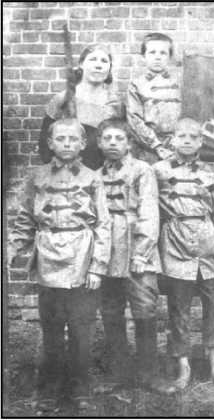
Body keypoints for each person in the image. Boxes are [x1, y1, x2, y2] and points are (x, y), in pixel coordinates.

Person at [9, 118, 111, 411]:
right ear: (50, 143)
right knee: (51, 328)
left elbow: (103, 224)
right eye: (61, 139)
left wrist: (97, 267)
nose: (67, 144)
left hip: (81, 256)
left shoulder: (92, 178)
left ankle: (80, 388)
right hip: (49, 256)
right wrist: (13, 247)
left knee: (81, 328)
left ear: (83, 144)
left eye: (73, 139)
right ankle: (49, 389)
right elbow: (25, 218)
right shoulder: (37, 177)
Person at [153, 118, 214, 392]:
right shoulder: (158, 171)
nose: (187, 141)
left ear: (201, 141)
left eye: (193, 136)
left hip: (206, 244)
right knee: (179, 309)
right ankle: (183, 368)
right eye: (182, 136)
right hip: (176, 244)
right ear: (172, 140)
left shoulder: (211, 172)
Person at [96, 118, 175, 394]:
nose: (113, 143)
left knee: (145, 310)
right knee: (111, 310)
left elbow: (149, 212)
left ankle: (149, 374)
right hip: (108, 250)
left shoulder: (142, 170)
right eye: (107, 138)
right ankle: (119, 374)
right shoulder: (96, 175)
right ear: (99, 143)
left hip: (137, 248)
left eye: (119, 138)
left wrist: (141, 253)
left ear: (129, 143)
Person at [38, 44, 123, 170]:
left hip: (103, 173)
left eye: (104, 61)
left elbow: (121, 145)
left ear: (109, 68)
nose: (98, 65)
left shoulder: (115, 104)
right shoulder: (62, 99)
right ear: (81, 64)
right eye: (93, 59)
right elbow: (45, 145)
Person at [127, 32, 180, 164]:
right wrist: (156, 146)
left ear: (169, 57)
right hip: (147, 148)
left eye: (163, 53)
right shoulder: (137, 84)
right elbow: (135, 120)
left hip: (176, 146)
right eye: (152, 52)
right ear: (143, 56)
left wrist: (177, 141)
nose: (157, 57)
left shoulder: (179, 84)